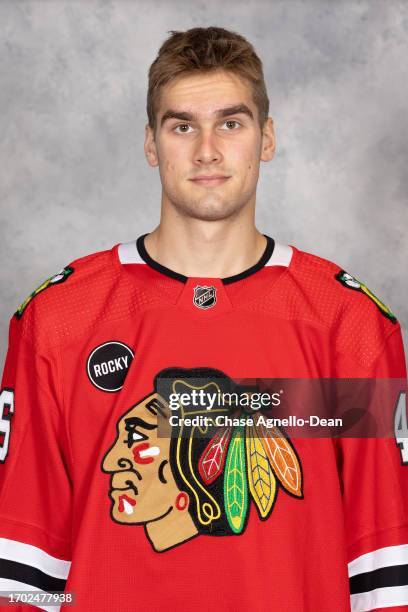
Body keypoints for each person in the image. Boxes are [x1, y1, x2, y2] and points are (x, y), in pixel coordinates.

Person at [0, 26, 407, 612]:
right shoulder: (58, 320)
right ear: (151, 143)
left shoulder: (351, 327)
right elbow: (22, 563)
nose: (207, 150)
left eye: (231, 123)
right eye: (182, 125)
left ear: (266, 138)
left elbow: (383, 569)